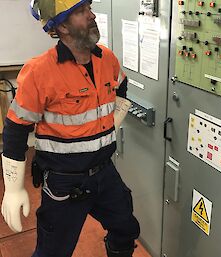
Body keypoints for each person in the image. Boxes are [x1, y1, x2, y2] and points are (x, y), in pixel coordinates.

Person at [0, 0, 140, 256]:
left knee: (126, 229)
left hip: (105, 173)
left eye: (89, 7)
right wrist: (13, 188)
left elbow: (121, 86)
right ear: (61, 26)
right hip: (65, 182)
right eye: (81, 11)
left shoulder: (106, 58)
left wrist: (110, 128)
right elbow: (16, 129)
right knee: (53, 252)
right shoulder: (39, 71)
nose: (92, 15)